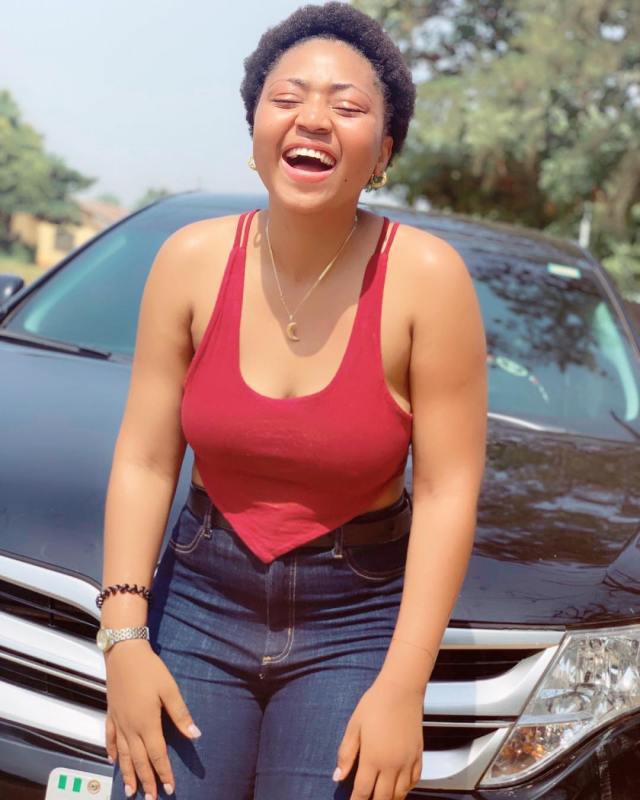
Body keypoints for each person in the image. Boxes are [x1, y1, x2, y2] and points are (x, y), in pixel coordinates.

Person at [100, 3, 487, 799]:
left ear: (383, 152)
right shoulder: (189, 261)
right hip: (198, 600)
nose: (313, 119)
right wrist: (124, 639)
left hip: (355, 619)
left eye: (347, 107)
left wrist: (403, 685)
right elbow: (144, 459)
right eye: (286, 99)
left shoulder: (428, 279)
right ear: (254, 132)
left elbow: (448, 491)